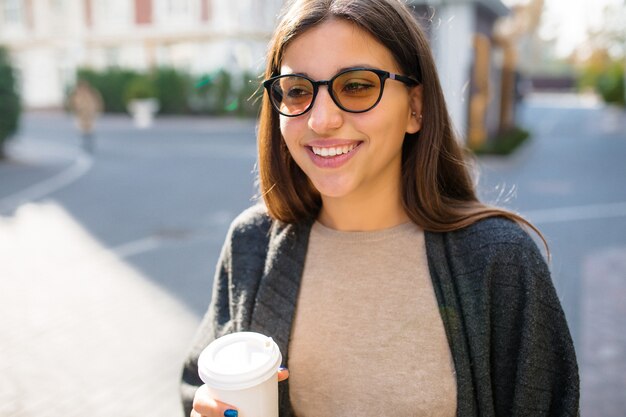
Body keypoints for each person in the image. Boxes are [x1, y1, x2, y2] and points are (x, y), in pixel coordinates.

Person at [181, 0, 579, 416]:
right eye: (297, 91)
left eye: (356, 86)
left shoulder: (502, 261)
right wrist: (204, 407)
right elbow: (198, 382)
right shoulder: (251, 246)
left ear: (416, 107)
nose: (321, 119)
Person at [68, 79, 103, 153]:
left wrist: (97, 111)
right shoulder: (76, 95)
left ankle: (89, 144)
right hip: (81, 116)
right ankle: (84, 144)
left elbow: (98, 102)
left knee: (90, 131)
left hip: (90, 116)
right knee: (82, 131)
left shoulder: (92, 94)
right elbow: (72, 104)